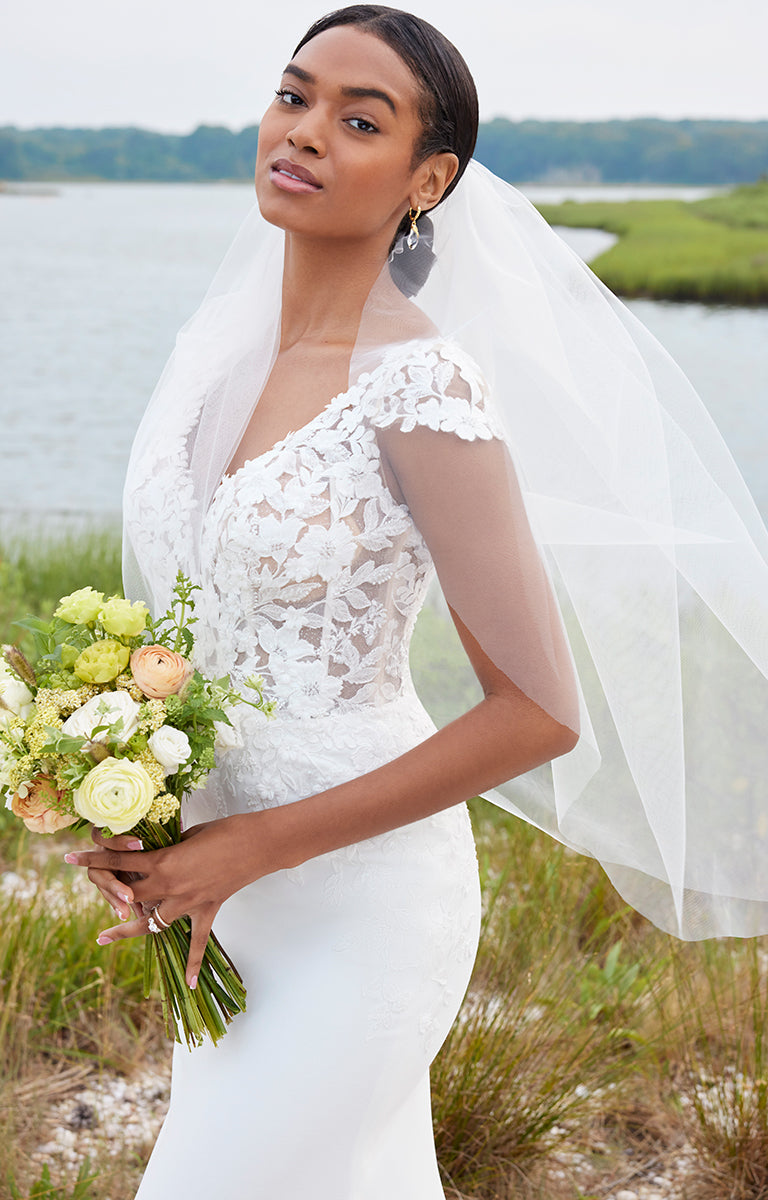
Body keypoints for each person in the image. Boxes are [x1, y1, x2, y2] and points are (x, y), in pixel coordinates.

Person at [64, 6, 768, 1197]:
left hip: (358, 902)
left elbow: (538, 711)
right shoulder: (214, 358)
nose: (305, 132)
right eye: (294, 96)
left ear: (427, 180)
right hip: (220, 901)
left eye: (360, 121)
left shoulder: (421, 386)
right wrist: (139, 801)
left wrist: (252, 847)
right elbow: (197, 627)